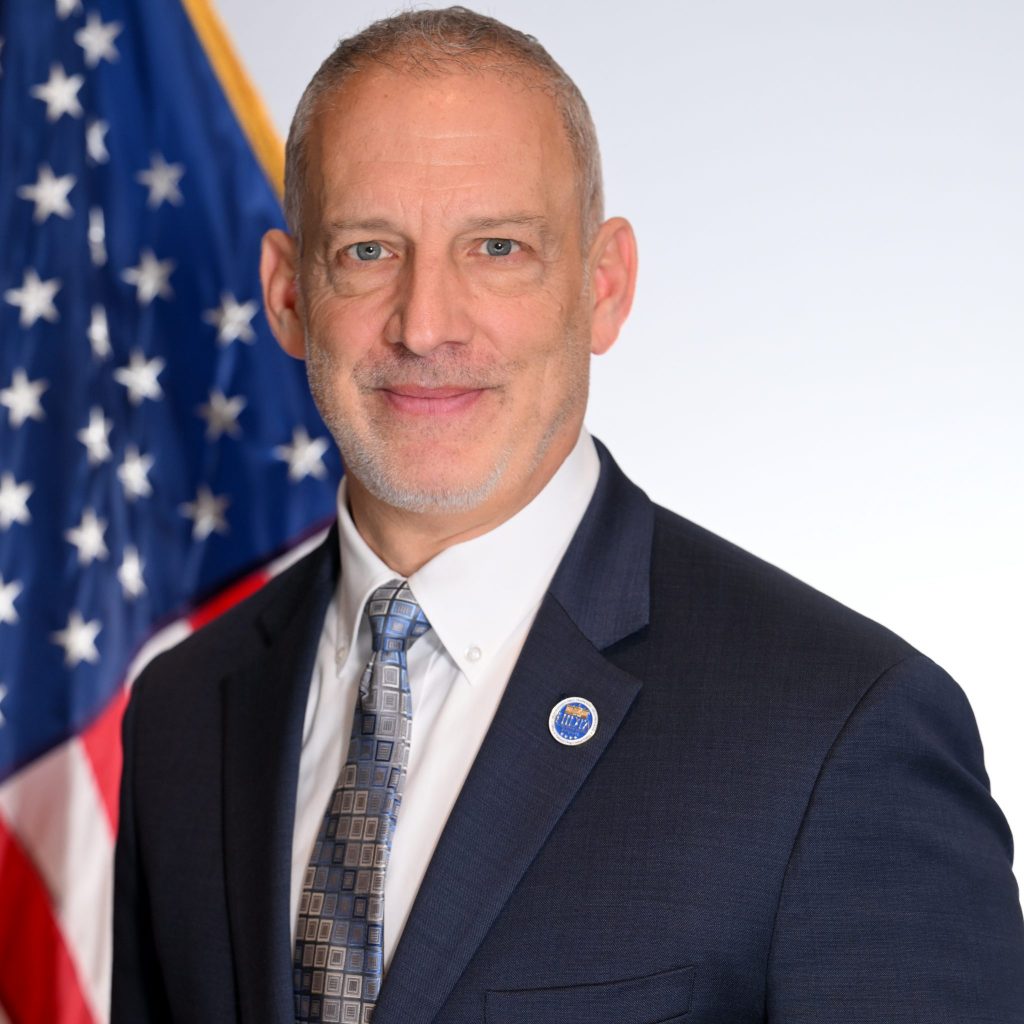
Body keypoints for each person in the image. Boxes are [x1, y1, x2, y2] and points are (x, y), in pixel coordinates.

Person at [112, 7, 1024, 1022]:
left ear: (603, 285)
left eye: (497, 247)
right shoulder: (182, 713)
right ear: (288, 295)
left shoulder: (839, 731)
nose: (425, 325)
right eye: (368, 250)